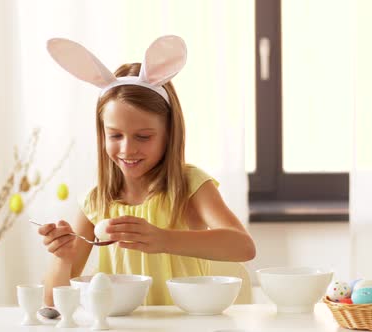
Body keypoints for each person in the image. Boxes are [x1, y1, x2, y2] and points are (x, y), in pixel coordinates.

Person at [38, 35, 256, 306]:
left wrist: (164, 239)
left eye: (143, 137)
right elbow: (52, 304)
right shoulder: (96, 201)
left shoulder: (190, 184)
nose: (128, 149)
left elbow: (243, 246)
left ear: (169, 134)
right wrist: (63, 257)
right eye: (115, 135)